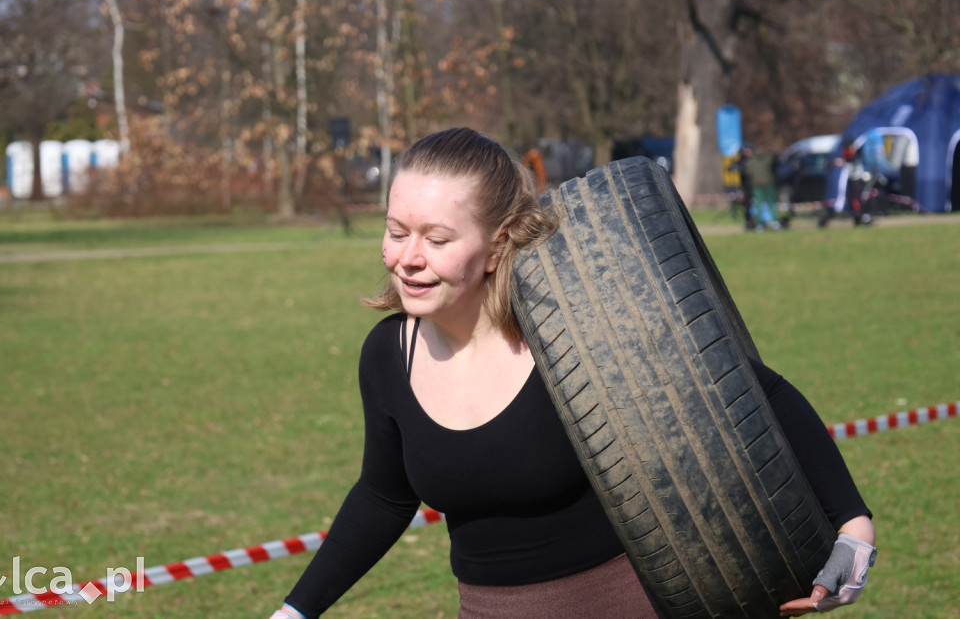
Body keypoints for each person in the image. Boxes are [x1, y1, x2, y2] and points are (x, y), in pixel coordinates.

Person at [269, 127, 876, 619]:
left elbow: (752, 389)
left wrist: (852, 524)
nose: (407, 258)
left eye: (437, 238)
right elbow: (384, 494)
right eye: (396, 232)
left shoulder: (581, 326)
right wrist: (295, 612)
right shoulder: (387, 356)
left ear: (498, 242)